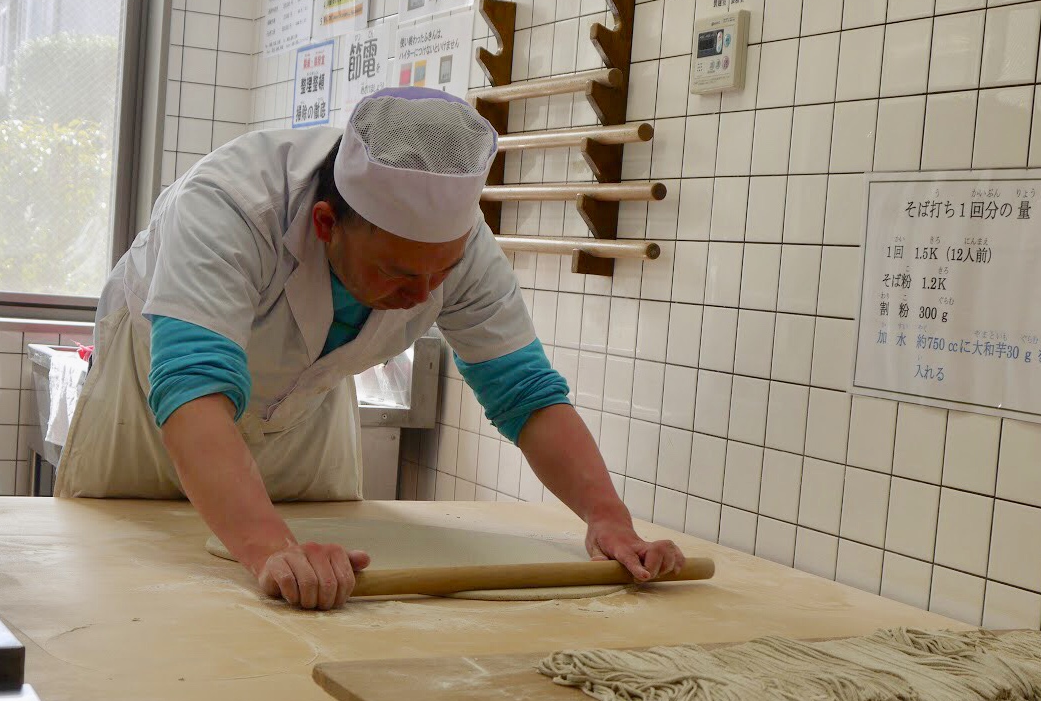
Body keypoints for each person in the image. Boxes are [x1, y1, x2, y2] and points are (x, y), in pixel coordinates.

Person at [55, 87, 684, 609]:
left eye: (439, 275)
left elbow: (525, 394)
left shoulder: (456, 250)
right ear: (327, 225)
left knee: (302, 624)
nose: (422, 295)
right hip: (148, 412)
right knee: (130, 600)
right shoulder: (233, 205)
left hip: (304, 415)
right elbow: (191, 383)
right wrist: (270, 546)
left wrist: (606, 517)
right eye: (399, 275)